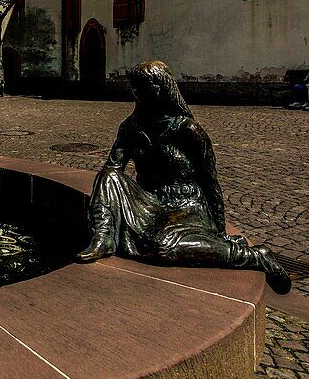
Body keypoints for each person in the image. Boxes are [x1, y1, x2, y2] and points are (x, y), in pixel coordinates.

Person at [77, 61, 291, 294]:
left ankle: (254, 257)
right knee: (108, 176)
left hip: (186, 204)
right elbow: (113, 166)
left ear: (161, 88)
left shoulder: (188, 131)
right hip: (149, 201)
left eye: (143, 88)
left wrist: (219, 230)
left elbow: (210, 181)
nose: (138, 94)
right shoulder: (131, 126)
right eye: (135, 89)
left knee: (163, 247)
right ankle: (103, 238)